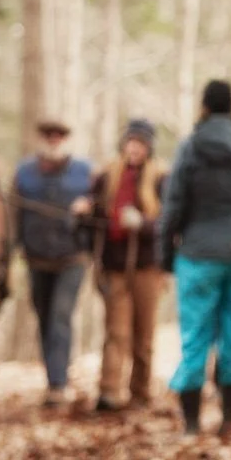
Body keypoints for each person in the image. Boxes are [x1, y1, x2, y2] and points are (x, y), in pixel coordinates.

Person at [160, 80, 231, 437]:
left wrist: (164, 256)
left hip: (197, 254)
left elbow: (173, 205)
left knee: (195, 338)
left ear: (204, 106)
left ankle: (191, 425)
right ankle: (230, 419)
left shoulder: (190, 148)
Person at [12, 120, 94, 408]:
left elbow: (100, 205)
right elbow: (14, 216)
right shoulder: (24, 173)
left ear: (66, 139)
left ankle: (59, 385)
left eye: (59, 136)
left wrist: (87, 208)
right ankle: (52, 379)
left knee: (61, 315)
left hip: (73, 257)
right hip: (37, 259)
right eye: (48, 136)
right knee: (45, 318)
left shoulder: (84, 172)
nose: (54, 141)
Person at [89, 118, 167, 412]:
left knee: (143, 334)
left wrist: (143, 223)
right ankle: (109, 391)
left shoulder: (160, 178)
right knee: (115, 332)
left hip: (148, 268)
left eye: (141, 144)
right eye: (131, 142)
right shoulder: (107, 176)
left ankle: (140, 392)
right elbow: (96, 212)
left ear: (148, 148)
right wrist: (85, 210)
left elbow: (167, 223)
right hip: (115, 266)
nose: (134, 148)